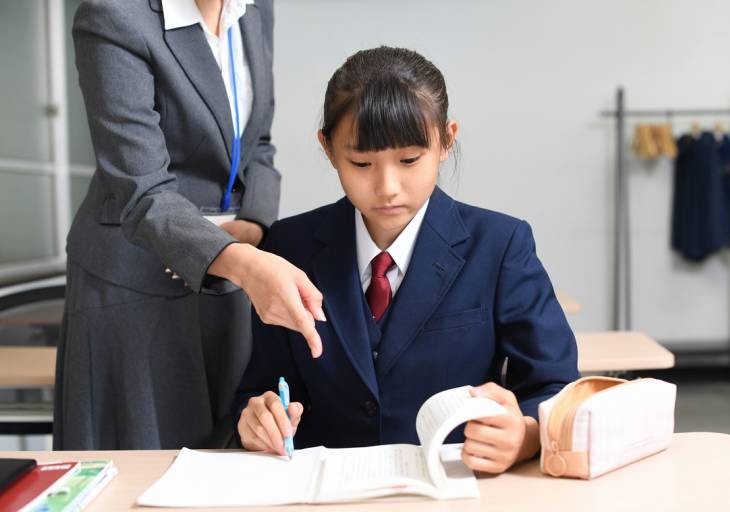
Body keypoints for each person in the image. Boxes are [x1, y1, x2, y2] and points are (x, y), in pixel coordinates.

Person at [233, 46, 580, 473]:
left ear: (447, 140)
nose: (387, 187)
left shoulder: (501, 243)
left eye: (409, 160)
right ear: (327, 147)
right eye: (361, 163)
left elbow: (556, 384)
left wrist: (524, 435)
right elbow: (262, 386)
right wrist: (256, 417)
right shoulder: (288, 247)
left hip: (457, 488)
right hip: (325, 493)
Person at [54, 0, 325, 450]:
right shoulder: (114, 15)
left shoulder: (254, 10)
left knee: (230, 454)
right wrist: (246, 263)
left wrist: (255, 227)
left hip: (229, 275)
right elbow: (143, 191)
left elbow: (256, 145)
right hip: (136, 283)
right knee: (141, 470)